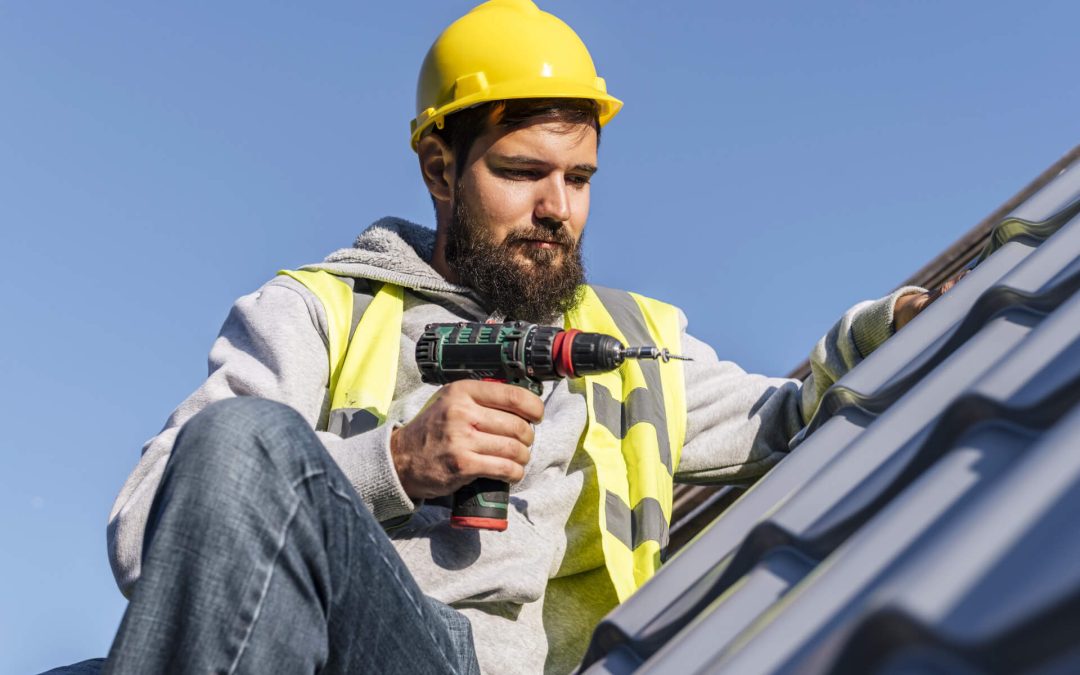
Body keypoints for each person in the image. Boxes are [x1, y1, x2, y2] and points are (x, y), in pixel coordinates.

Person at [94, 1, 944, 673]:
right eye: (520, 172)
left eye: (578, 178)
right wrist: (394, 460)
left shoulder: (628, 342)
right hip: (305, 645)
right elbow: (146, 531)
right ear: (439, 168)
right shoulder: (320, 310)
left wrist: (895, 323)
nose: (557, 208)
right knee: (241, 445)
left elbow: (793, 411)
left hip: (459, 665)